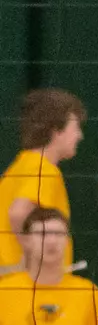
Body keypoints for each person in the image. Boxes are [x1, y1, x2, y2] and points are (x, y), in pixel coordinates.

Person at [0, 89, 83, 276]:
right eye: (76, 127)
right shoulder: (44, 170)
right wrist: (36, 261)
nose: (80, 136)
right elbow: (18, 213)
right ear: (55, 131)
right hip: (26, 285)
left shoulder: (21, 164)